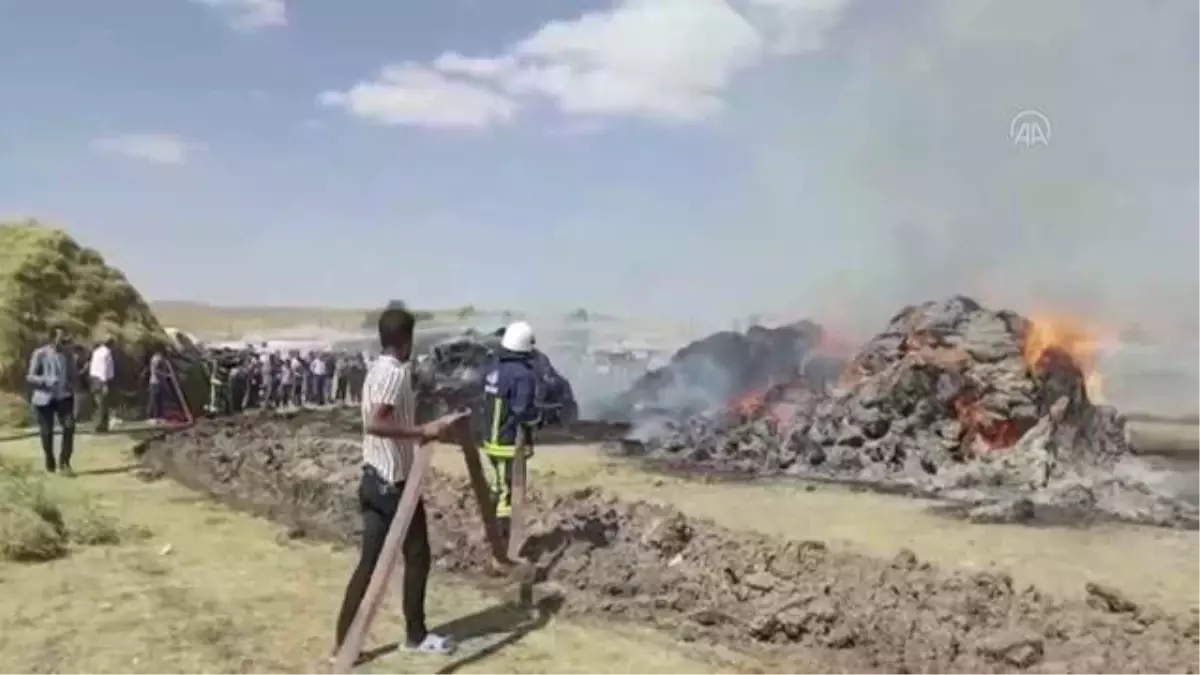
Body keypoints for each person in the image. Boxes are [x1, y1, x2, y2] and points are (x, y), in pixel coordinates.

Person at [332, 306, 466, 662]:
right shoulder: (394, 374)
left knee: (370, 564)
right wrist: (423, 431)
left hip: (375, 478)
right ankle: (415, 635)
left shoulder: (377, 370)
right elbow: (376, 423)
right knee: (418, 555)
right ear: (406, 340)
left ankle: (343, 644)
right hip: (394, 484)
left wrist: (426, 423)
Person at [479, 321, 541, 547]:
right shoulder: (522, 375)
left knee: (498, 485)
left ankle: (491, 533)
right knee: (508, 493)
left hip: (490, 440)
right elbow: (522, 410)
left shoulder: (495, 369)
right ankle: (503, 544)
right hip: (508, 444)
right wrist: (536, 420)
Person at [27, 328, 78, 475]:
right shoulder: (40, 354)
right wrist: (46, 380)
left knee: (69, 427)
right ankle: (50, 459)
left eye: (64, 338)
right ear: (51, 338)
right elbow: (30, 376)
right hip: (44, 398)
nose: (62, 341)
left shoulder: (68, 355)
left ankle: (65, 463)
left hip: (64, 397)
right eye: (59, 338)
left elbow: (74, 375)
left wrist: (73, 385)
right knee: (47, 431)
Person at [88, 336, 115, 432]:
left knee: (99, 403)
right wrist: (104, 383)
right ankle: (100, 425)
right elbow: (104, 368)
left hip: (94, 378)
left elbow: (93, 366)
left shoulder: (96, 351)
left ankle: (102, 425)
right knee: (102, 404)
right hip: (102, 380)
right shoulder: (106, 353)